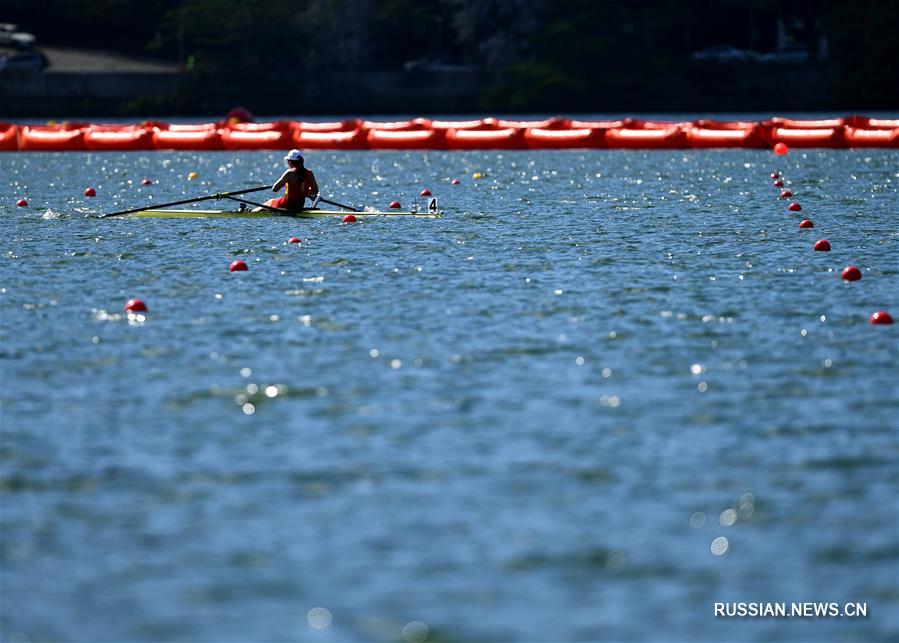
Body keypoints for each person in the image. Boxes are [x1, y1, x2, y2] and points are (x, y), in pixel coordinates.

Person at [254, 149, 318, 212]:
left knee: (269, 202)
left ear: (290, 161)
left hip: (285, 205)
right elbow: (315, 191)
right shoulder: (309, 173)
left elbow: (274, 189)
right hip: (299, 207)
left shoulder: (290, 173)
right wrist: (305, 192)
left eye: (287, 161)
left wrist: (284, 182)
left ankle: (251, 212)